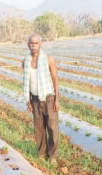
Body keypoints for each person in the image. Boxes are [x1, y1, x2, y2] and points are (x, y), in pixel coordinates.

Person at [22, 33, 60, 165]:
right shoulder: (25, 62)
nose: (33, 46)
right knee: (39, 128)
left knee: (52, 127)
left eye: (36, 43)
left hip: (49, 97)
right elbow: (27, 82)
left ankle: (53, 155)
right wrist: (29, 101)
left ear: (40, 44)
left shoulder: (48, 59)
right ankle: (41, 153)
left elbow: (55, 79)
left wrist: (57, 100)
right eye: (31, 43)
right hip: (35, 99)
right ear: (28, 45)